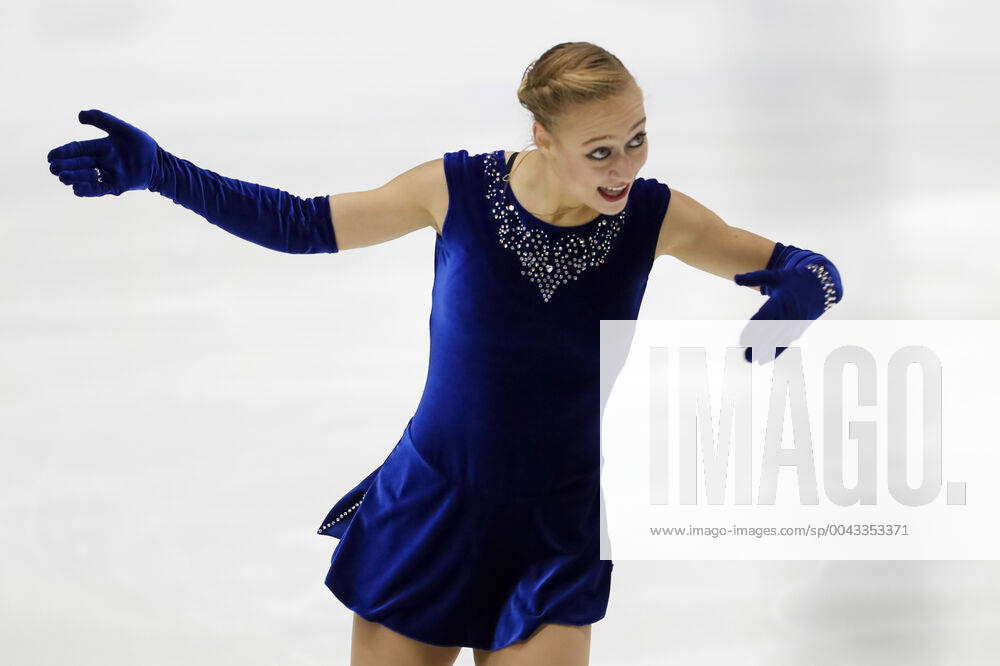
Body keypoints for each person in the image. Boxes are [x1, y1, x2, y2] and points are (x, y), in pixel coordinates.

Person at [46, 41, 843, 666]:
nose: (627, 166)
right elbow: (300, 225)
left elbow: (807, 265)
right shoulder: (455, 191)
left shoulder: (656, 216)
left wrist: (813, 289)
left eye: (637, 140)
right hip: (431, 511)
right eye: (601, 151)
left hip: (555, 527)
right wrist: (162, 174)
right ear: (542, 136)